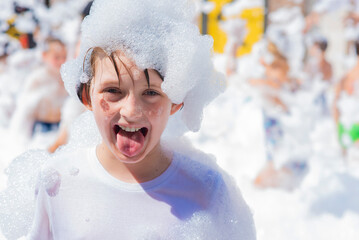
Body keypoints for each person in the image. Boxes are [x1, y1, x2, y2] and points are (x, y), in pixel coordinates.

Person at [26, 0, 256, 239]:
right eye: (113, 91)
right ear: (86, 96)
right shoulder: (57, 182)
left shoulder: (206, 190)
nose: (131, 111)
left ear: (176, 102)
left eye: (151, 93)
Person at [9, 37, 68, 145]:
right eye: (56, 57)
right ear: (44, 56)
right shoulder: (37, 78)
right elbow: (24, 109)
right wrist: (21, 138)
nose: (61, 61)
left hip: (60, 127)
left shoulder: (66, 78)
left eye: (64, 57)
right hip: (41, 128)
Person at [333, 40, 359, 153]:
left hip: (346, 127)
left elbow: (335, 106)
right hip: (352, 127)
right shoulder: (346, 78)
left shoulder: (344, 78)